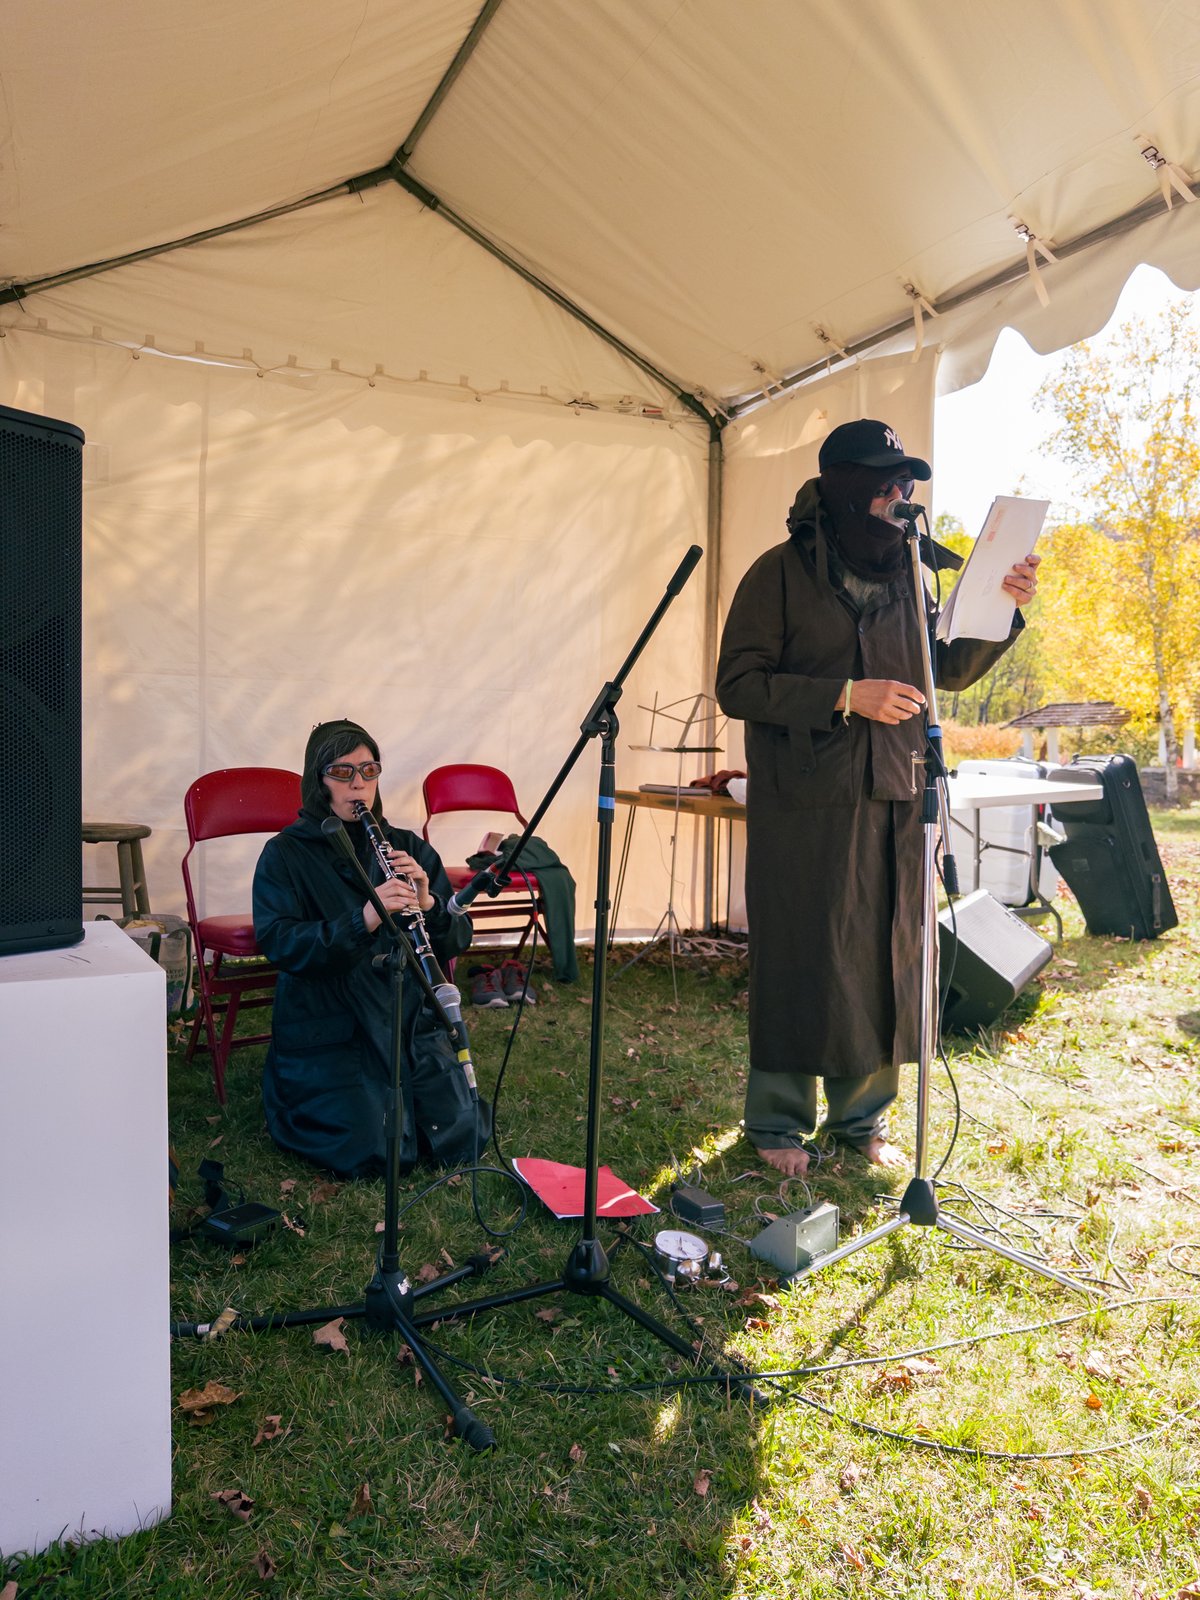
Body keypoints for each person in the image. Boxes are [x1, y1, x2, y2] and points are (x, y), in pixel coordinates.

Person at [716, 419, 1040, 1177]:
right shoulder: (779, 574)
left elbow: (949, 670)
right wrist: (843, 696)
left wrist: (1004, 607)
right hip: (805, 800)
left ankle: (862, 1120)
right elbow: (739, 685)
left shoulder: (912, 576)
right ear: (843, 485)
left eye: (906, 483)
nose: (900, 494)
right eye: (885, 481)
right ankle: (779, 1124)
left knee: (882, 954)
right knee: (805, 953)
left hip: (897, 791)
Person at [253, 718, 490, 1179]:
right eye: (342, 772)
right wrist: (363, 919)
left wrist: (430, 904)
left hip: (405, 1017)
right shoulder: (285, 854)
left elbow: (457, 939)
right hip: (333, 1016)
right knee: (372, 1149)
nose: (358, 784)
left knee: (460, 1135)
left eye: (368, 770)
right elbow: (280, 943)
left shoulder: (406, 847)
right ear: (317, 780)